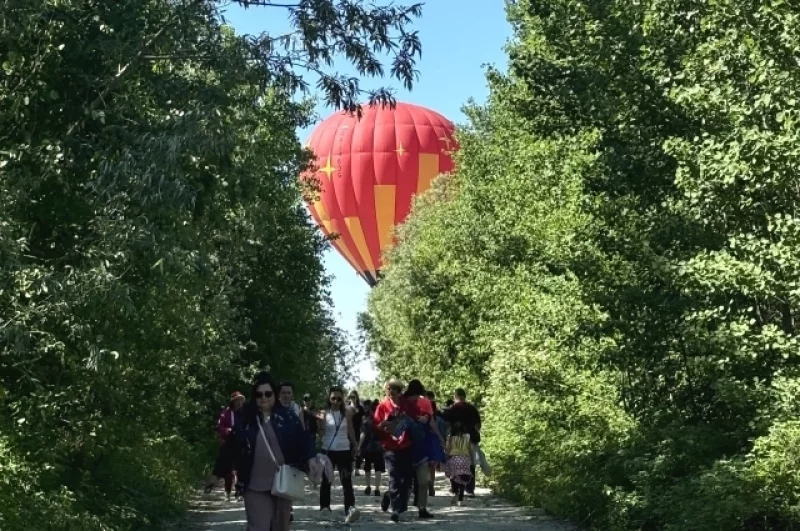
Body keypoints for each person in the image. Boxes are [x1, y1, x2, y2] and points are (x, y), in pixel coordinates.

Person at [233, 372, 315, 531]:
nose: (263, 397)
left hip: (282, 483)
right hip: (253, 484)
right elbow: (231, 446)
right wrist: (217, 473)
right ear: (254, 396)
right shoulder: (245, 419)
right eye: (259, 394)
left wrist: (310, 459)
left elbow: (304, 439)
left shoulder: (286, 417)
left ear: (274, 395)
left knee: (280, 527)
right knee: (259, 526)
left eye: (268, 393)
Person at [373, 379, 414, 523]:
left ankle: (390, 497)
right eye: (389, 389)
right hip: (390, 447)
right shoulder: (382, 406)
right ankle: (397, 509)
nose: (391, 392)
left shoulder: (406, 405)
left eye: (394, 389)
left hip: (406, 445)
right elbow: (376, 425)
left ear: (399, 390)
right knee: (394, 477)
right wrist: (383, 425)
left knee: (406, 479)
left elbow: (414, 419)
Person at [318, 386, 361, 524]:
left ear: (343, 399)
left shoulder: (347, 413)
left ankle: (350, 508)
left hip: (343, 449)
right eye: (333, 398)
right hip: (328, 450)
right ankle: (325, 507)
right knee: (326, 480)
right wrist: (320, 427)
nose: (336, 401)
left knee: (346, 480)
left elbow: (351, 430)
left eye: (339, 398)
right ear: (329, 398)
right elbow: (320, 433)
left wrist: (355, 445)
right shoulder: (324, 413)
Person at [403, 380, 442, 518]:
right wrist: (440, 438)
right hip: (421, 445)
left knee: (403, 480)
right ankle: (422, 508)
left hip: (404, 446)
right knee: (423, 481)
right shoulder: (425, 402)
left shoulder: (402, 400)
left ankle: (395, 502)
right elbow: (432, 422)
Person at [205, 391, 246, 500]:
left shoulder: (244, 414)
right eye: (237, 400)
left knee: (240, 468)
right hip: (228, 443)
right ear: (233, 401)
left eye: (241, 400)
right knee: (225, 469)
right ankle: (224, 491)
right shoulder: (226, 413)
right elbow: (219, 427)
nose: (239, 402)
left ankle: (239, 492)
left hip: (240, 443)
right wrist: (228, 431)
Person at [441, 388, 481, 497]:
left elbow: (446, 421)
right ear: (465, 396)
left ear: (456, 396)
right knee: (471, 463)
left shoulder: (454, 408)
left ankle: (456, 487)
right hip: (471, 437)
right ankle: (470, 489)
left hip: (457, 438)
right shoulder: (472, 408)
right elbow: (478, 425)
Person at [358, 400, 385, 497]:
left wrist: (359, 446)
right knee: (378, 469)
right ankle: (377, 489)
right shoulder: (381, 421)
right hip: (378, 447)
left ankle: (368, 486)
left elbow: (363, 434)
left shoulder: (366, 422)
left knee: (367, 468)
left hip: (368, 447)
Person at [445, 420, 473, 507]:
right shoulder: (467, 437)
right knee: (463, 480)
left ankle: (455, 493)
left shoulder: (451, 438)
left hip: (454, 459)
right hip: (465, 459)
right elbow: (470, 449)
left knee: (453, 477)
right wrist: (471, 460)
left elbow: (448, 450)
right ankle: (461, 499)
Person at [426, 391, 448, 494]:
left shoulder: (423, 417)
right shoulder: (438, 419)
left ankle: (426, 482)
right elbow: (442, 431)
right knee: (432, 466)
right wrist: (442, 440)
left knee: (423, 465)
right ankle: (432, 483)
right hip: (434, 442)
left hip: (424, 441)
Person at [348, 390, 366, 476]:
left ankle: (357, 469)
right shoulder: (347, 407)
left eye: (354, 397)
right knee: (349, 449)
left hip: (358, 430)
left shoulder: (360, 408)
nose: (352, 399)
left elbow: (363, 420)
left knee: (358, 448)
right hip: (349, 430)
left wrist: (363, 429)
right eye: (351, 397)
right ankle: (350, 467)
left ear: (356, 397)